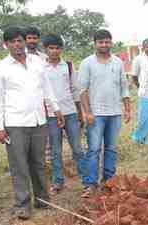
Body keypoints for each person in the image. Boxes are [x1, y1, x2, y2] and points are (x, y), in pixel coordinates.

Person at [0, 26, 64, 220]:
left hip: (39, 120)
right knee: (19, 166)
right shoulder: (0, 69)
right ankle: (22, 205)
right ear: (6, 45)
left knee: (39, 163)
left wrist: (56, 109)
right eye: (13, 42)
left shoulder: (37, 62)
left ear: (25, 42)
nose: (17, 44)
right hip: (15, 124)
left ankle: (42, 200)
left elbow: (46, 88)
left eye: (20, 41)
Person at [78, 29, 131, 197]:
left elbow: (124, 86)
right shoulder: (87, 63)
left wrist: (128, 109)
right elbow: (83, 90)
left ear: (111, 43)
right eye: (101, 42)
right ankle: (90, 184)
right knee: (93, 149)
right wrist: (88, 112)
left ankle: (109, 181)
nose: (104, 45)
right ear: (95, 44)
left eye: (107, 41)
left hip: (115, 113)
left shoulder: (117, 62)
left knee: (112, 148)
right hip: (96, 114)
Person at [42, 34, 86, 194]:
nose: (54, 51)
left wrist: (80, 113)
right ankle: (58, 181)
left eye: (57, 48)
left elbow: (75, 89)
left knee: (77, 148)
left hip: (70, 113)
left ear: (61, 49)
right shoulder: (40, 67)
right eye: (51, 48)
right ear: (45, 49)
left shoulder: (67, 65)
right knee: (55, 150)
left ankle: (86, 180)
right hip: (51, 115)